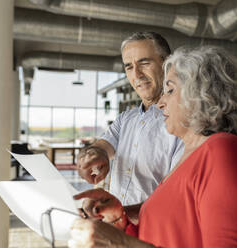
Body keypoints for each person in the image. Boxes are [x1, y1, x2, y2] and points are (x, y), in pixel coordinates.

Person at [69, 46, 237, 248]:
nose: (161, 103)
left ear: (202, 96)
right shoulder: (188, 157)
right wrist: (119, 218)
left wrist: (121, 244)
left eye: (170, 90)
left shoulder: (223, 151)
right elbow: (162, 234)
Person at [76, 32, 183, 220]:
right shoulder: (126, 119)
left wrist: (121, 214)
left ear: (167, 64)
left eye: (144, 63)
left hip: (154, 235)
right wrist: (90, 157)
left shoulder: (182, 123)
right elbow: (101, 147)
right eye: (128, 66)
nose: (136, 74)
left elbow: (177, 197)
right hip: (117, 230)